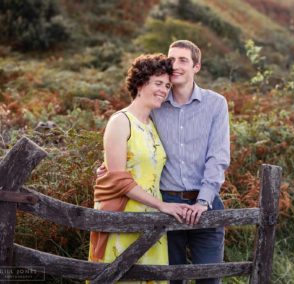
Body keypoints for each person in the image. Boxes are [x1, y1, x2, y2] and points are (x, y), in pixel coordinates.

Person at [98, 40, 230, 284]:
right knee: (169, 278)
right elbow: (131, 138)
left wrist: (203, 200)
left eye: (183, 60)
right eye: (172, 59)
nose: (175, 65)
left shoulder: (215, 104)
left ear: (196, 67)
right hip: (165, 202)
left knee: (210, 278)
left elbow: (218, 157)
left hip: (206, 203)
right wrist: (109, 167)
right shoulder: (155, 105)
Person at [88, 53, 191, 284]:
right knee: (121, 277)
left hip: (153, 221)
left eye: (167, 85)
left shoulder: (152, 125)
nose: (164, 90)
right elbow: (118, 179)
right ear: (141, 83)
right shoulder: (121, 121)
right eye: (158, 83)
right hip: (124, 217)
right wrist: (162, 205)